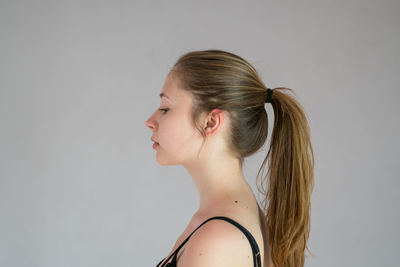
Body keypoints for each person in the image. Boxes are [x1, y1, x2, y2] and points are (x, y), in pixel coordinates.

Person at [145, 49, 315, 267]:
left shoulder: (216, 240)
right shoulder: (223, 221)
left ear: (210, 122)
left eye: (165, 108)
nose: (150, 121)